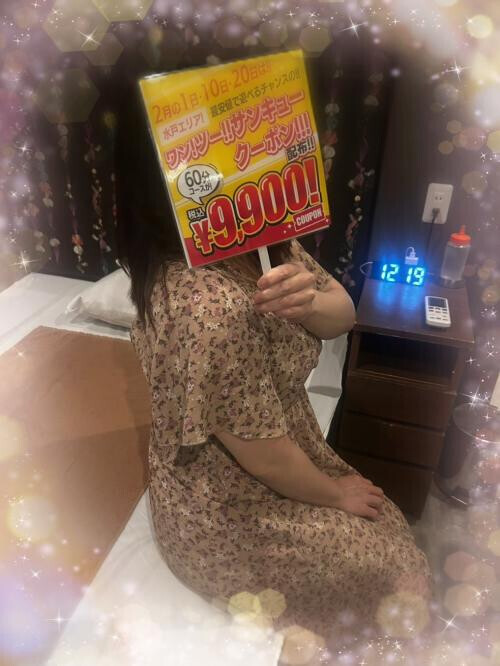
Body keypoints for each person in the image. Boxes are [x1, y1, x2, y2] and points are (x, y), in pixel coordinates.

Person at [114, 88, 433, 644]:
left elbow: (344, 315)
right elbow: (264, 458)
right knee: (389, 567)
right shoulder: (207, 308)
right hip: (226, 502)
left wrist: (308, 302)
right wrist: (335, 494)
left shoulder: (259, 238)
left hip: (281, 443)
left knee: (390, 535)